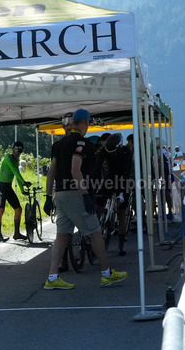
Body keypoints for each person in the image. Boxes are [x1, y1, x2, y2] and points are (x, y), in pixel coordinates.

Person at [42, 108, 127, 290]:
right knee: (95, 231)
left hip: (60, 193)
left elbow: (51, 172)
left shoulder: (58, 144)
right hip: (76, 193)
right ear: (87, 123)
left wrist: (49, 197)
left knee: (62, 235)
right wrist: (85, 195)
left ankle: (52, 277)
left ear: (72, 123)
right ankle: (106, 273)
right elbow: (75, 169)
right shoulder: (83, 143)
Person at [0, 141, 31, 242]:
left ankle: (16, 233)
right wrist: (24, 182)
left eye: (19, 152)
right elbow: (15, 171)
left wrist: (22, 189)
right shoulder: (7, 157)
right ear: (13, 150)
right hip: (1, 186)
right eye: (16, 152)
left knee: (18, 209)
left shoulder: (16, 160)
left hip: (8, 186)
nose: (17, 154)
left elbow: (17, 174)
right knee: (1, 210)